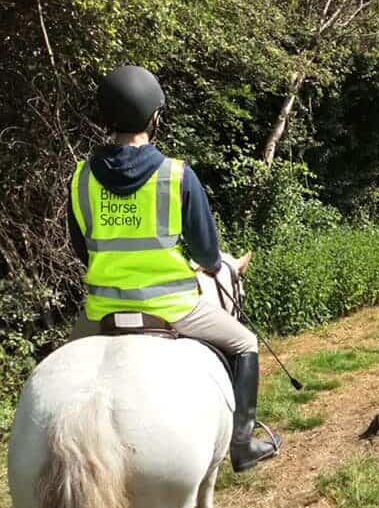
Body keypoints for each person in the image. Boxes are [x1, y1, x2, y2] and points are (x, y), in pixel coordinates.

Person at [67, 65, 280, 473]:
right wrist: (209, 263)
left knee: (54, 371)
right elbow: (208, 255)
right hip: (174, 306)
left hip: (99, 312)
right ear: (155, 117)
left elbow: (82, 249)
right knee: (245, 343)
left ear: (105, 119)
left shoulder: (80, 179)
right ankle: (242, 445)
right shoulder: (176, 175)